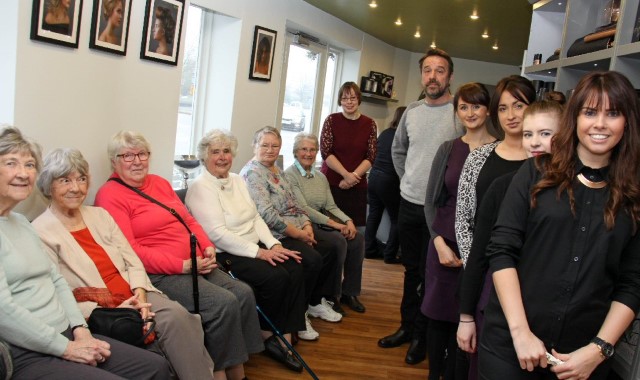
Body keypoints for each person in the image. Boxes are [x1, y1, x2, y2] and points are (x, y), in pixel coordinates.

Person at [480, 71, 640, 379]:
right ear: (575, 117)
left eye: (613, 113)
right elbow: (502, 251)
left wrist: (598, 350)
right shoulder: (535, 173)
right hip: (510, 349)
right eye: (590, 112)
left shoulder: (634, 194)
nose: (600, 124)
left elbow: (632, 282)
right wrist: (521, 333)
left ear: (627, 122)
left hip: (580, 358)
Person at [0, 126, 170, 380]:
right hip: (26, 351)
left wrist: (80, 329)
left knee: (156, 367)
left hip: (66, 332)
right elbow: (4, 311)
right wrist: (66, 348)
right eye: (11, 163)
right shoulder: (37, 226)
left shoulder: (21, 223)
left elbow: (55, 281)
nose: (23, 173)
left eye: (29, 164)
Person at [32, 148, 215, 379]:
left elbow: (133, 261)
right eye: (65, 180)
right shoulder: (40, 231)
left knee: (179, 317)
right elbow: (58, 293)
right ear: (49, 186)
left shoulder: (100, 216)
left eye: (81, 179)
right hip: (102, 307)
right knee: (159, 341)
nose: (76, 188)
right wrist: (113, 309)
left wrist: (140, 295)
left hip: (135, 292)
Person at [95, 131, 263, 380]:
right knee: (222, 303)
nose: (137, 161)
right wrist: (181, 265)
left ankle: (236, 365)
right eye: (127, 156)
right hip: (161, 273)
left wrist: (206, 247)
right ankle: (219, 373)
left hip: (197, 263)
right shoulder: (110, 195)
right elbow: (128, 250)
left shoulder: (160, 183)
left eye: (142, 154)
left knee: (243, 293)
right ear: (114, 161)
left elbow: (188, 219)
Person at [457, 100, 563, 380]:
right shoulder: (503, 186)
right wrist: (466, 316)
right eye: (528, 134)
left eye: (545, 134)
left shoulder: (574, 190)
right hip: (502, 312)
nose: (535, 143)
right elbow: (480, 253)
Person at [185, 130, 305, 372]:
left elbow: (256, 218)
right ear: (204, 157)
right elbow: (218, 234)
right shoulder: (200, 187)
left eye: (226, 151)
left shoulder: (237, 180)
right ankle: (269, 335)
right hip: (225, 254)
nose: (222, 157)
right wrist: (260, 253)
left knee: (296, 266)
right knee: (276, 276)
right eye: (215, 152)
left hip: (251, 246)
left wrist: (273, 244)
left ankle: (284, 333)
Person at [381, 48, 464, 366]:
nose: (433, 76)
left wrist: (437, 190)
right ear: (421, 76)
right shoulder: (411, 112)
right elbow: (399, 151)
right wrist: (410, 181)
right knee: (410, 271)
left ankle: (423, 336)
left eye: (440, 70)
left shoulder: (459, 113)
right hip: (410, 204)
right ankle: (406, 327)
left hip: (442, 210)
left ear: (450, 76)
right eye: (427, 70)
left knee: (434, 275)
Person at [421, 83, 497, 380]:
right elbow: (430, 201)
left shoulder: (499, 151)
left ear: (488, 109)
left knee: (467, 323)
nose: (470, 112)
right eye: (463, 107)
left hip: (481, 252)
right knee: (438, 319)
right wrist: (438, 242)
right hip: (444, 244)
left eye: (476, 106)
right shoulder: (448, 149)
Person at [240, 126, 342, 340]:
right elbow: (267, 215)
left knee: (331, 248)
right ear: (254, 146)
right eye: (264, 145)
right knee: (312, 259)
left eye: (275, 145)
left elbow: (296, 203)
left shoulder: (277, 170)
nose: (270, 150)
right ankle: (299, 314)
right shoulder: (252, 173)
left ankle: (314, 302)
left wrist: (306, 225)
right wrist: (299, 234)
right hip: (275, 234)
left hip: (297, 227)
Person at [455, 75, 536, 266]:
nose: (510, 116)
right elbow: (462, 220)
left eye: (518, 106)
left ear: (533, 108)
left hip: (528, 267)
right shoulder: (478, 157)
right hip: (481, 266)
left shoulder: (545, 161)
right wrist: (473, 262)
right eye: (502, 108)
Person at [285, 132, 366, 314]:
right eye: (304, 149)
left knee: (358, 238)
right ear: (296, 152)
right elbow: (303, 208)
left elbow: (330, 205)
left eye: (312, 149)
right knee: (338, 241)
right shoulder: (289, 175)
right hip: (303, 223)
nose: (308, 153)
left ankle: (350, 292)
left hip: (323, 221)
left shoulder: (320, 176)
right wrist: (336, 225)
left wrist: (348, 220)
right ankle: (332, 295)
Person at [319, 81, 377, 227]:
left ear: (359, 99)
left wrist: (353, 177)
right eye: (345, 98)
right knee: (331, 228)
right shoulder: (331, 120)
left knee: (355, 232)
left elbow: (371, 156)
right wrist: (346, 175)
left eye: (352, 98)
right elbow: (326, 152)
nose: (349, 102)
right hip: (332, 184)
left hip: (357, 187)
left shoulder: (370, 123)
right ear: (340, 101)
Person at [364, 106, 405, 263]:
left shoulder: (386, 133)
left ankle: (368, 249)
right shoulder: (402, 137)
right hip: (389, 180)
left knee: (374, 214)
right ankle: (390, 255)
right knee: (397, 218)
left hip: (374, 178)